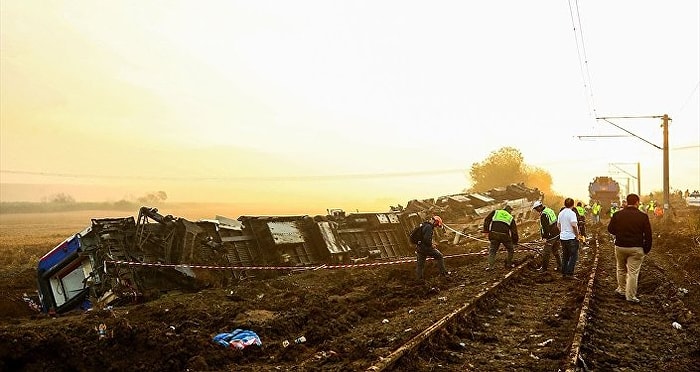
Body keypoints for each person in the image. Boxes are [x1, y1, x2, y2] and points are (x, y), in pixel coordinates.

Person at [607, 193, 652, 303]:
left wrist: (620, 233)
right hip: (636, 248)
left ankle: (622, 290)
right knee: (633, 273)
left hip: (620, 246)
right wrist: (646, 249)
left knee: (621, 269)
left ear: (627, 202)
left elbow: (610, 229)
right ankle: (630, 296)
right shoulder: (643, 216)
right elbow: (648, 234)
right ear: (637, 202)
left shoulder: (617, 214)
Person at [482, 205, 519, 270]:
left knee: (492, 251)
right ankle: (508, 264)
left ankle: (490, 266)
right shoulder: (510, 217)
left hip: (494, 234)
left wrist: (486, 231)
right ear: (510, 211)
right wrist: (515, 241)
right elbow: (514, 231)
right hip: (504, 236)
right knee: (510, 250)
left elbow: (487, 220)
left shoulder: (496, 212)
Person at [415, 215, 449, 280]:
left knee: (420, 264)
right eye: (436, 225)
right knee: (439, 256)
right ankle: (443, 273)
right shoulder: (429, 227)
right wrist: (432, 245)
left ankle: (419, 279)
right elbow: (427, 240)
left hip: (419, 247)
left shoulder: (423, 225)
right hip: (425, 247)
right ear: (435, 221)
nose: (436, 226)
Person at [532, 200, 561, 272]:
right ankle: (560, 266)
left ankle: (544, 268)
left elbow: (546, 228)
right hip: (556, 233)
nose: (536, 210)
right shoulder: (549, 210)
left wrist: (545, 238)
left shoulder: (543, 215)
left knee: (546, 252)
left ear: (539, 207)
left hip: (551, 235)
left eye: (536, 209)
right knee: (555, 250)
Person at [557, 198, 581, 279]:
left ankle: (564, 273)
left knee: (565, 255)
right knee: (574, 255)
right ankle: (570, 274)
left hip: (563, 237)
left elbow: (558, 225)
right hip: (571, 237)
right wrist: (577, 236)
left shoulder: (561, 213)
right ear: (573, 204)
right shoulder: (572, 213)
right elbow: (574, 225)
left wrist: (562, 232)